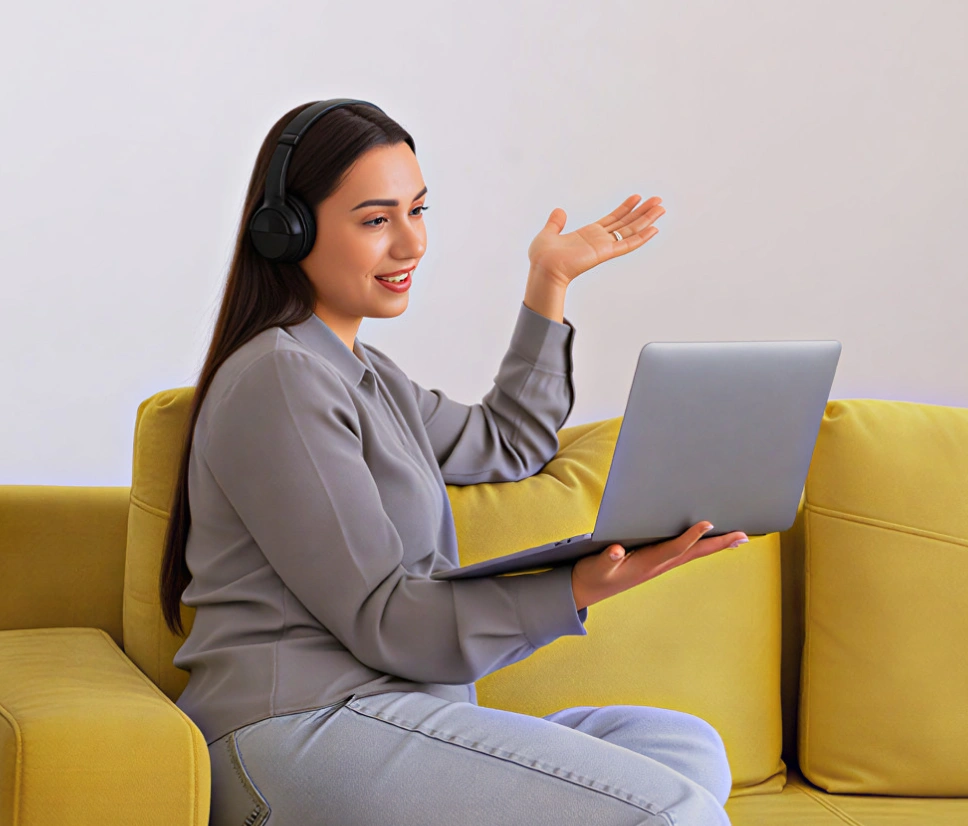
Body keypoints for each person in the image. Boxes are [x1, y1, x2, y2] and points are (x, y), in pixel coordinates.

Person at [159, 100, 748, 826]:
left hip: (395, 715)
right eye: (377, 220)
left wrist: (550, 281)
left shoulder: (365, 375)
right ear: (288, 233)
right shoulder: (280, 378)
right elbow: (382, 617)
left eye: (418, 210)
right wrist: (576, 586)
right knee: (668, 811)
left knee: (684, 750)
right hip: (300, 730)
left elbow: (507, 442)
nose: (411, 243)